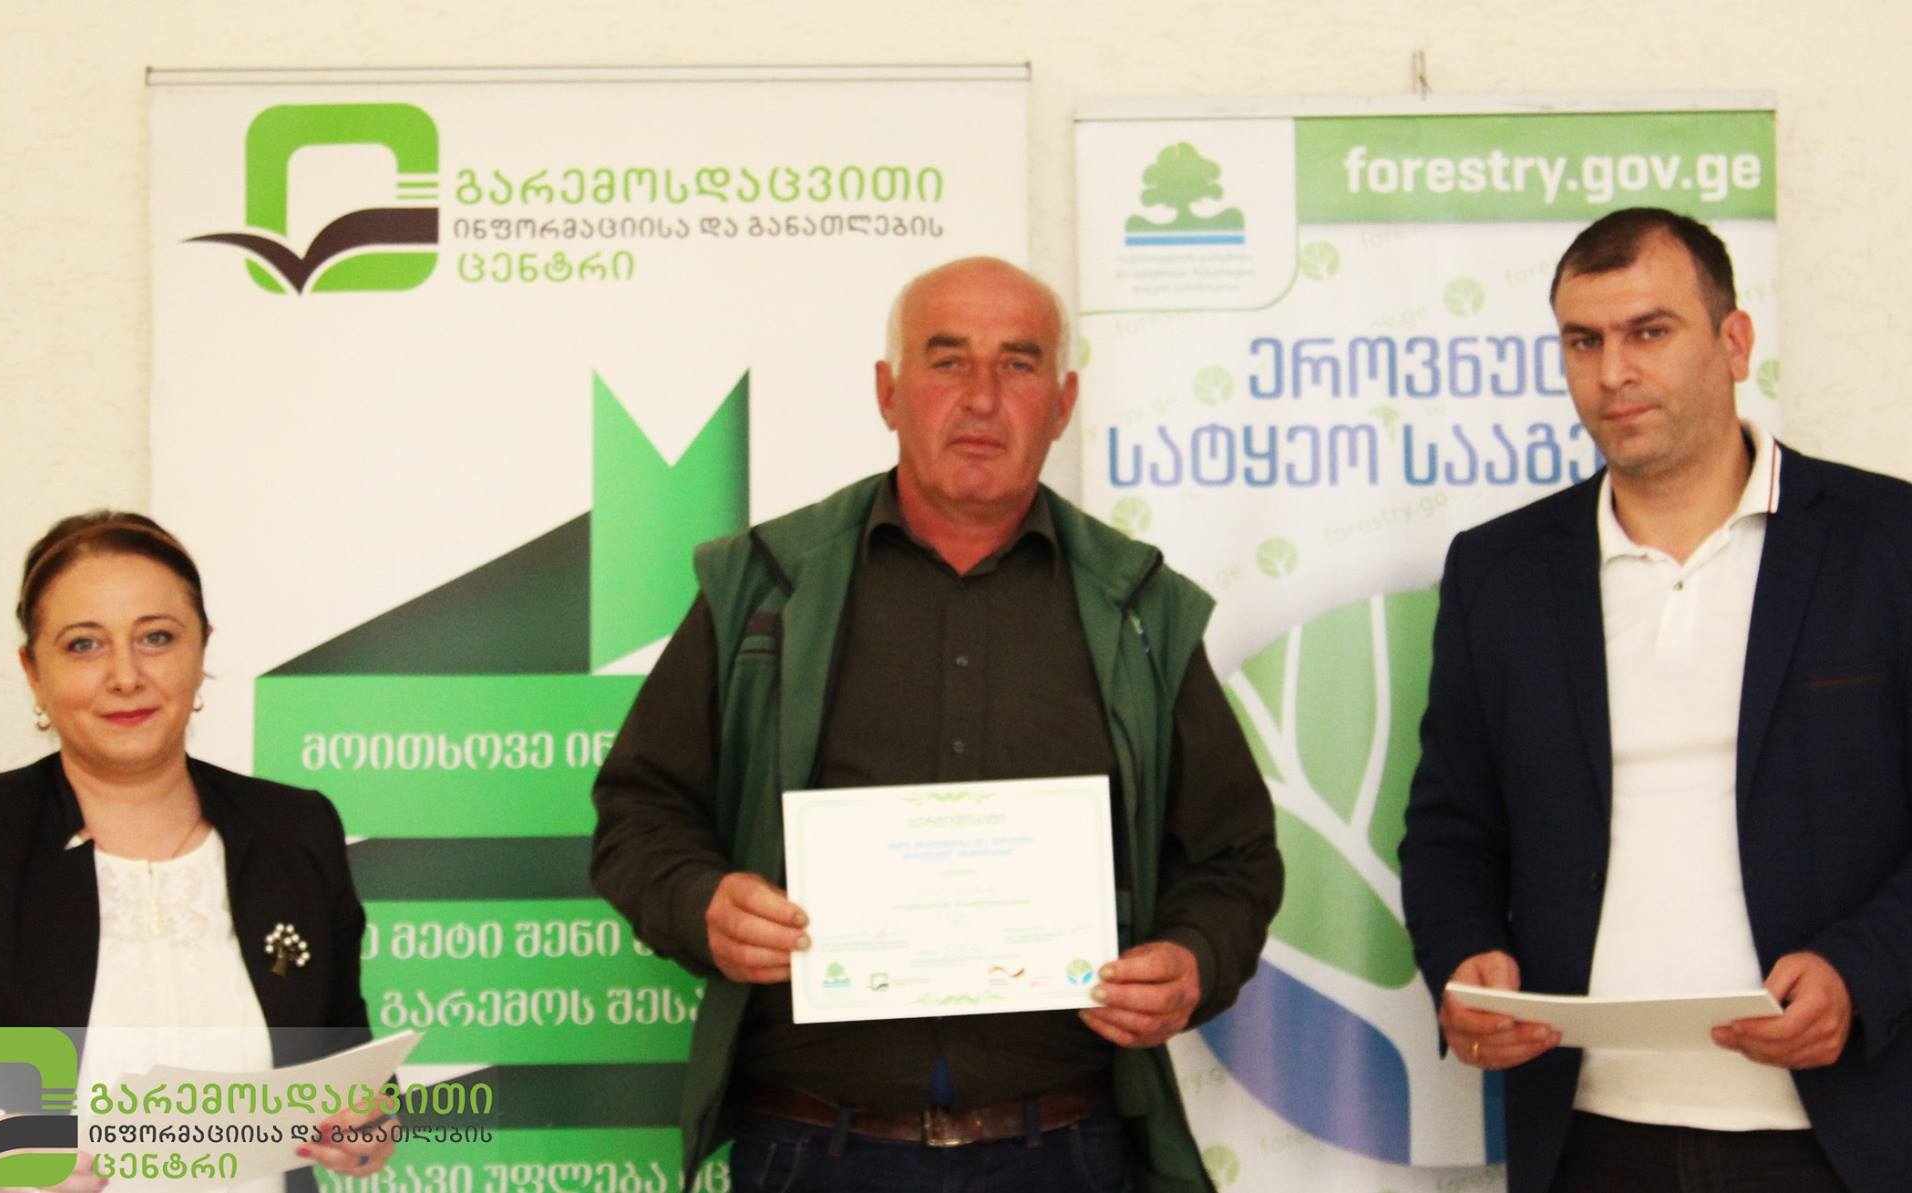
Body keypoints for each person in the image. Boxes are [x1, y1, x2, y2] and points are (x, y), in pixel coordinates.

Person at [589, 257, 1283, 1192]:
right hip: (812, 1152)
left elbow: (1234, 858)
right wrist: (700, 903)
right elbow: (639, 813)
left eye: (1019, 364)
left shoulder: (1139, 607)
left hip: (1066, 1153)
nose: (983, 398)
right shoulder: (766, 586)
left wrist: (1192, 959)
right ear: (888, 392)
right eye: (948, 361)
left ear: (1063, 403)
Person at [1400, 208, 1912, 1193]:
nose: (1612, 372)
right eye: (1582, 341)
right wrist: (1464, 958)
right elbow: (1450, 827)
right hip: (1589, 1133)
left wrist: (1863, 969)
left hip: (1844, 1131)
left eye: (1649, 331)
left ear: (1733, 342)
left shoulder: (1886, 542)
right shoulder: (1497, 572)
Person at [0, 511, 391, 1191]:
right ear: (33, 671)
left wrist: (368, 1124)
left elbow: (346, 1057)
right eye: (84, 644)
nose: (125, 675)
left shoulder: (295, 831)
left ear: (201, 649)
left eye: (156, 638)